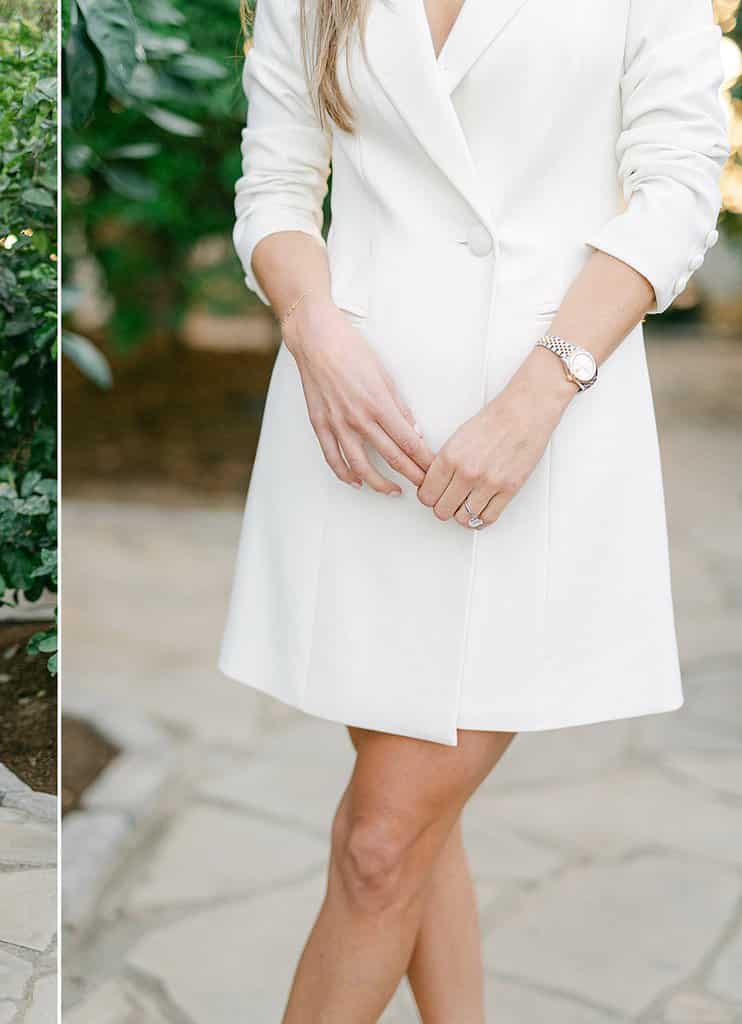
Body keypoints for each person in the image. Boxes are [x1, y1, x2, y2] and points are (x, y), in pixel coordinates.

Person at [216, 0, 729, 1019]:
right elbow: (276, 183)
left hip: (545, 426)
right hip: (361, 436)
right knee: (408, 828)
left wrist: (539, 395)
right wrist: (312, 326)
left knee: (378, 840)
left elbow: (673, 189)